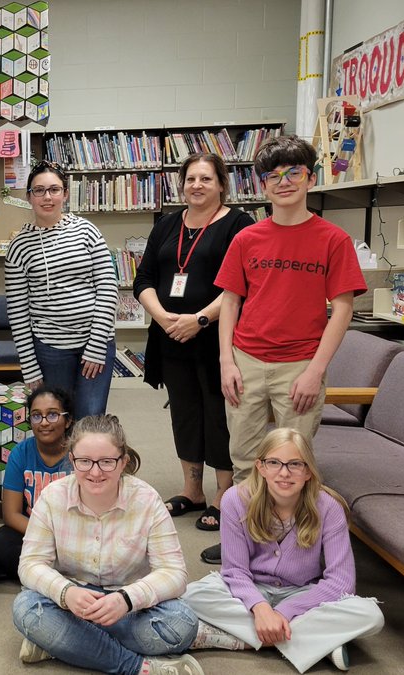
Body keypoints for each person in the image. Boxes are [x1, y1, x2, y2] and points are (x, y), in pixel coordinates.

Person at [206, 135, 367, 565]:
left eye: (294, 172)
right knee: (245, 459)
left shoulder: (333, 239)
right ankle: (244, 543)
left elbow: (343, 308)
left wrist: (316, 370)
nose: (284, 182)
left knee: (293, 464)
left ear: (310, 179)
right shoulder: (247, 238)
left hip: (300, 364)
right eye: (273, 175)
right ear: (262, 185)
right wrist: (226, 361)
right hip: (246, 360)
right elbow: (230, 302)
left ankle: (291, 550)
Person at [12, 414, 203, 675]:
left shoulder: (147, 500)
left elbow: (174, 573)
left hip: (128, 607)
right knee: (25, 608)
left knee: (183, 623)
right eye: (84, 461)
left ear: (123, 461)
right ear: (72, 460)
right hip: (73, 602)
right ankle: (136, 667)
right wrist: (66, 592)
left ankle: (63, 642)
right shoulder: (52, 498)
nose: (95, 472)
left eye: (106, 462)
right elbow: (30, 564)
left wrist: (126, 599)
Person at [181, 428, 384, 672]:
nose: (284, 473)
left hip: (303, 593)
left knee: (371, 615)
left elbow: (341, 581)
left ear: (308, 471)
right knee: (193, 595)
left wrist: (283, 612)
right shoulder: (235, 499)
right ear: (260, 467)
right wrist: (260, 608)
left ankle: (249, 638)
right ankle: (317, 642)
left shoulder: (329, 507)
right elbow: (235, 571)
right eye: (274, 463)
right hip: (252, 588)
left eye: (295, 464)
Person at [134, 153, 256, 533]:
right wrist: (163, 317)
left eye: (206, 179)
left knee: (219, 414)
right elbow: (144, 279)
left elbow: (243, 285)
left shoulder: (239, 225)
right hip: (171, 336)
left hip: (217, 338)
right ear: (181, 184)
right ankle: (192, 490)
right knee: (184, 413)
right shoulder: (167, 224)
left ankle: (223, 493)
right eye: (190, 179)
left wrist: (199, 319)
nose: (197, 185)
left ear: (221, 184)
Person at [4, 160, 120, 418]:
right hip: (50, 348)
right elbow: (18, 311)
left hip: (95, 342)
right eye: (39, 190)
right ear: (29, 197)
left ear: (65, 194)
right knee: (58, 419)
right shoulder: (19, 247)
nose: (47, 197)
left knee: (90, 418)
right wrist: (30, 366)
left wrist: (96, 345)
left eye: (54, 189)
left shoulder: (87, 231)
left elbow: (107, 287)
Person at [0, 385, 73, 584]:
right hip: (33, 530)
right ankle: (59, 576)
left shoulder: (79, 454)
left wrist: (64, 540)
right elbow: (11, 514)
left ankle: (26, 572)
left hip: (74, 534)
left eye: (53, 415)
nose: (44, 422)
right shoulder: (20, 453)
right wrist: (48, 536)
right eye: (36, 416)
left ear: (68, 421)